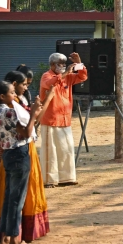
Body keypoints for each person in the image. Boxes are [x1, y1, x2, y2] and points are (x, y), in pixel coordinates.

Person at [0, 68, 50, 244]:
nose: (15, 95)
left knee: (9, 197)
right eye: (12, 93)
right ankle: (15, 241)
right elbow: (26, 132)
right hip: (19, 154)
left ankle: (4, 239)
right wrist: (34, 115)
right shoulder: (10, 111)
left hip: (8, 154)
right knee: (17, 199)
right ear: (2, 96)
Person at [37, 52, 88, 187]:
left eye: (64, 64)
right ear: (53, 65)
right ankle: (49, 180)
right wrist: (64, 74)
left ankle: (67, 177)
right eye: (60, 64)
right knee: (50, 151)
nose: (63, 66)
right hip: (50, 120)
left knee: (66, 149)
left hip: (65, 119)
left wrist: (79, 62)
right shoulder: (46, 76)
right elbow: (49, 84)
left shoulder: (68, 78)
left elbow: (83, 77)